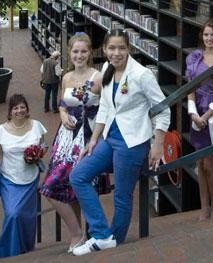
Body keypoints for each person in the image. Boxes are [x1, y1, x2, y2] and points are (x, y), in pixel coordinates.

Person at [69, 29, 170, 255]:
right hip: (109, 138)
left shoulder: (142, 74)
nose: (116, 53)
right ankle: (103, 235)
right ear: (104, 49)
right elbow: (105, 107)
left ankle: (115, 247)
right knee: (78, 176)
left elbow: (163, 110)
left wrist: (158, 145)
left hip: (131, 143)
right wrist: (93, 140)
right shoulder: (106, 69)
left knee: (122, 197)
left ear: (129, 49)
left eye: (121, 48)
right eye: (111, 48)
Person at [40, 33, 101, 252]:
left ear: (90, 52)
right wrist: (62, 114)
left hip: (84, 139)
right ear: (70, 53)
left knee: (55, 185)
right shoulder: (66, 77)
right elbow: (62, 103)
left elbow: (106, 109)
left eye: (83, 51)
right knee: (64, 188)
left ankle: (77, 234)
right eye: (75, 51)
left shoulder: (98, 77)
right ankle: (78, 233)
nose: (79, 55)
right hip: (64, 138)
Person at [0, 94, 48, 259]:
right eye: (15, 108)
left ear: (27, 109)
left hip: (30, 179)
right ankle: (6, 253)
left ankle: (25, 250)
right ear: (10, 111)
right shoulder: (0, 131)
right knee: (13, 214)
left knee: (27, 217)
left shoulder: (36, 126)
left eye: (22, 107)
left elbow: (43, 145)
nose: (19, 110)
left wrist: (38, 153)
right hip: (10, 180)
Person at [185, 18, 213, 220]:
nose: (209, 38)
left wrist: (205, 116)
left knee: (209, 164)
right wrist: (193, 114)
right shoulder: (194, 58)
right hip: (196, 116)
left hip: (212, 116)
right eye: (206, 34)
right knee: (200, 164)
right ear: (201, 36)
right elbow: (190, 90)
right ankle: (204, 206)